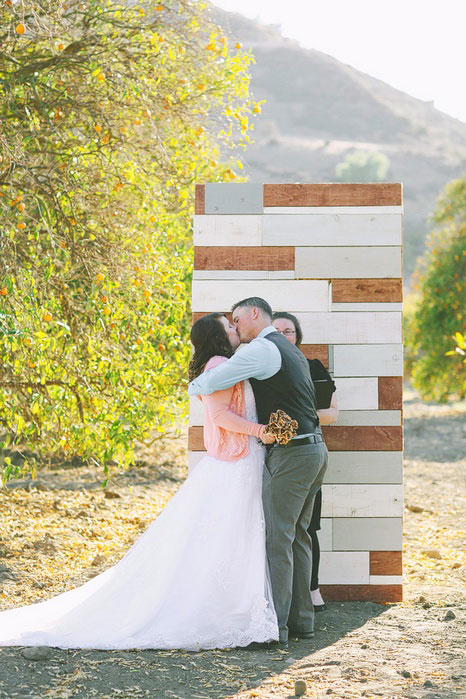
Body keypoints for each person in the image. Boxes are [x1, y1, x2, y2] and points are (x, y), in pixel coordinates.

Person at [0, 313, 278, 651]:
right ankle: (228, 612)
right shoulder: (218, 363)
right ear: (218, 337)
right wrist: (261, 431)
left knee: (233, 535)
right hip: (235, 464)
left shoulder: (226, 362)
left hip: (242, 461)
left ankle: (235, 610)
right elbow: (220, 416)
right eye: (228, 326)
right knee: (231, 534)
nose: (235, 329)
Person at [189, 298, 328, 647]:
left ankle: (276, 629)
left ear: (255, 314)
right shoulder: (289, 349)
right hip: (313, 450)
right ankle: (301, 622)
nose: (235, 327)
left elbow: (210, 383)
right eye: (230, 325)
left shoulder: (262, 349)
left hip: (293, 455)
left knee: (278, 539)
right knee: (298, 536)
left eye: (237, 320)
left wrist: (192, 385)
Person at [272, 312, 338, 612]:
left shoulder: (312, 367)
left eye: (289, 331)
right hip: (273, 454)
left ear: (297, 336)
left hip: (306, 453)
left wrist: (298, 419)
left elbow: (332, 413)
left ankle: (312, 590)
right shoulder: (265, 367)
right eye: (277, 331)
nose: (284, 335)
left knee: (308, 527)